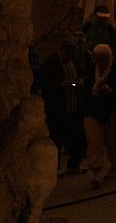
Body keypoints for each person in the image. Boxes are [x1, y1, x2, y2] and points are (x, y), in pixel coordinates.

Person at [40, 38, 87, 176]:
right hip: (58, 108)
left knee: (75, 138)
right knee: (57, 138)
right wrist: (61, 85)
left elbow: (81, 74)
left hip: (74, 107)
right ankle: (56, 167)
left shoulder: (74, 61)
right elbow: (44, 83)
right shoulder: (51, 62)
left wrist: (80, 81)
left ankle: (74, 165)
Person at [83, 44, 116, 188]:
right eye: (99, 59)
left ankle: (114, 166)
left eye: (104, 59)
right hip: (93, 110)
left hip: (110, 112)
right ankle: (97, 173)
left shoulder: (115, 70)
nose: (101, 62)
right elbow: (87, 87)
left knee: (113, 141)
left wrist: (111, 92)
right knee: (94, 142)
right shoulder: (91, 70)